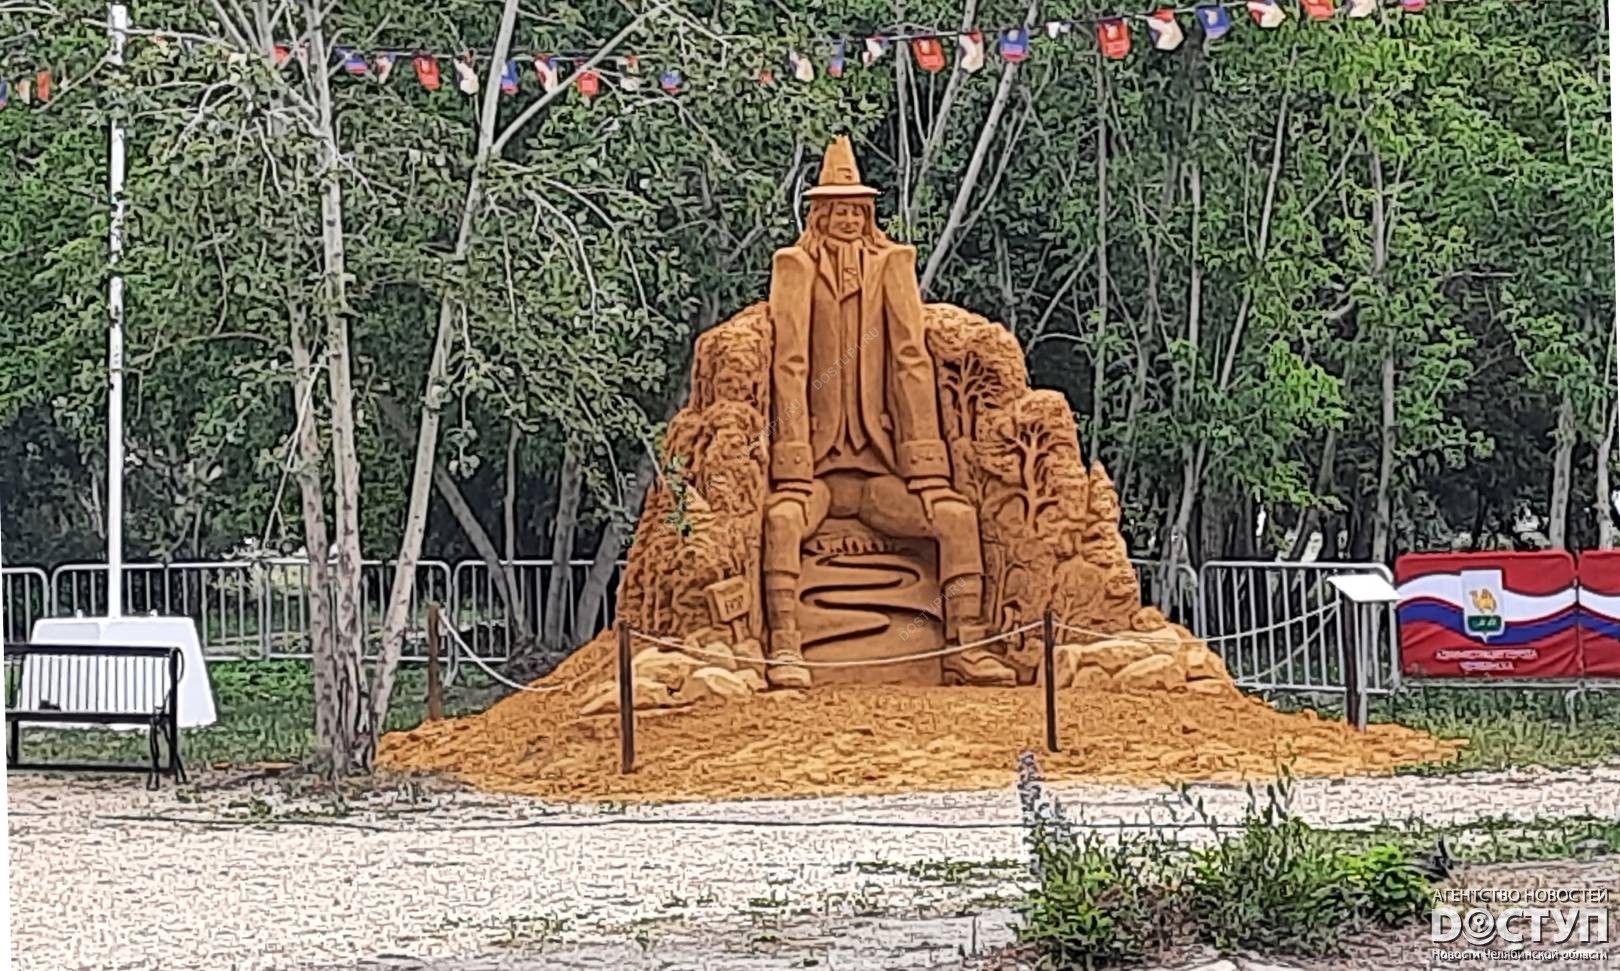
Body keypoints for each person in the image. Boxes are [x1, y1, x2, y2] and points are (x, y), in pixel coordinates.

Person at [760, 137, 1016, 689]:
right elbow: (789, 363)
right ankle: (784, 646)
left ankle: (965, 645)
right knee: (781, 522)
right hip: (817, 475)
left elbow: (910, 362)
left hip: (880, 474)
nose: (849, 219)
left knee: (955, 518)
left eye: (858, 210)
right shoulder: (796, 267)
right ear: (819, 214)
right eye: (838, 210)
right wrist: (792, 462)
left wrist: (927, 470)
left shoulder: (893, 264)